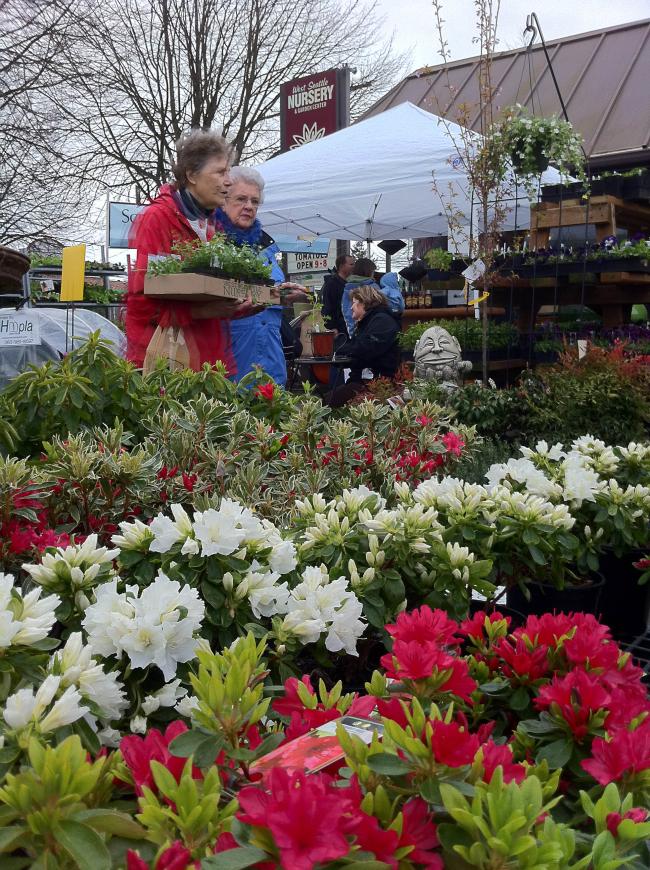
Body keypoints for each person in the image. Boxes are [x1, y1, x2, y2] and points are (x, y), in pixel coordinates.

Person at [126, 129, 256, 372]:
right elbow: (141, 304)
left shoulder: (212, 226)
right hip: (165, 368)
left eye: (228, 171)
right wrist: (201, 311)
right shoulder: (157, 219)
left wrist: (240, 307)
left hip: (207, 367)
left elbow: (211, 303)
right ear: (192, 175)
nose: (229, 181)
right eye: (220, 172)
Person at [216, 165, 307, 385]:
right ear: (223, 201)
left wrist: (284, 295)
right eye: (241, 199)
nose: (249, 206)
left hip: (271, 367)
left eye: (254, 201)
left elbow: (269, 299)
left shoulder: (266, 249)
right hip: (228, 370)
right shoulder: (211, 245)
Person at [328, 284, 400, 407]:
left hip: (377, 384)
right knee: (326, 399)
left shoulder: (382, 321)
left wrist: (338, 350)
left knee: (326, 404)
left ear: (364, 303)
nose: (351, 307)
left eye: (354, 303)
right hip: (365, 381)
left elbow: (365, 348)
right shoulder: (371, 321)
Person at [341, 258, 381, 338]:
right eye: (373, 272)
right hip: (371, 330)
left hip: (352, 330)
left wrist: (352, 331)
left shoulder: (348, 287)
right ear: (369, 272)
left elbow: (347, 311)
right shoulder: (373, 287)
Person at [321, 254, 354, 335]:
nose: (354, 267)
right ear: (342, 266)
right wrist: (331, 327)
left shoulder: (348, 283)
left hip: (348, 326)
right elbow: (327, 306)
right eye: (351, 264)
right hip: (339, 329)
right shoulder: (332, 284)